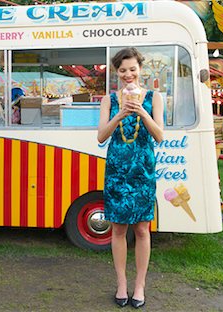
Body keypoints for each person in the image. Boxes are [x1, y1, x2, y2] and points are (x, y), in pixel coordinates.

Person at [97, 47, 164, 309]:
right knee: (118, 229)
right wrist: (120, 114)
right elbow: (101, 136)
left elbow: (159, 136)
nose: (128, 74)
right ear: (117, 72)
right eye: (123, 70)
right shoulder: (109, 100)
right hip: (117, 172)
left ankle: (140, 285)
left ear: (140, 69)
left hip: (142, 172)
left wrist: (141, 112)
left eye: (132, 69)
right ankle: (122, 284)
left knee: (142, 229)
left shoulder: (154, 97)